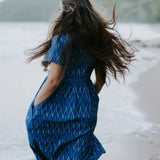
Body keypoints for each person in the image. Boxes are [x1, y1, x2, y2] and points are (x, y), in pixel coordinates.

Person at [25, 0, 137, 159]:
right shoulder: (98, 39)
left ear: (67, 10)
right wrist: (87, 95)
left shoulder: (62, 39)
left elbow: (53, 81)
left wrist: (35, 106)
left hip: (56, 105)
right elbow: (101, 80)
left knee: (44, 141)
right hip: (84, 104)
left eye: (60, 8)